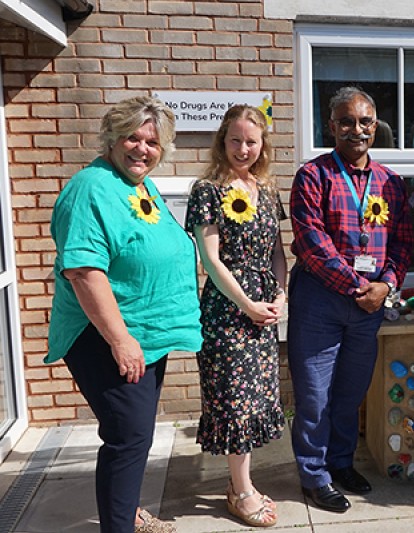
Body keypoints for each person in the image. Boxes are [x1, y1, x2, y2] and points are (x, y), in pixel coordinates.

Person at [46, 96, 202, 533]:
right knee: (127, 437)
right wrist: (121, 340)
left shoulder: (138, 184)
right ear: (112, 138)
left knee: (137, 436)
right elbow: (83, 270)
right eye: (132, 137)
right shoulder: (90, 189)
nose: (142, 148)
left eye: (152, 141)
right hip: (106, 335)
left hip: (145, 331)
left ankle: (127, 511)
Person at [288, 86, 413, 513]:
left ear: (374, 127)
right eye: (346, 121)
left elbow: (402, 239)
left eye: (364, 122)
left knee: (349, 393)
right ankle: (314, 475)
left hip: (370, 305)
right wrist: (358, 287)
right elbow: (311, 242)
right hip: (320, 301)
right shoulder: (313, 175)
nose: (355, 130)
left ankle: (340, 463)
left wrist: (387, 284)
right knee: (314, 396)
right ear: (331, 125)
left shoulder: (390, 183)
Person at [185, 105, 287, 528]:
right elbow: (210, 259)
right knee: (235, 399)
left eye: (251, 141)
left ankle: (240, 483)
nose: (243, 149)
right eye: (235, 140)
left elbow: (279, 252)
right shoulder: (207, 189)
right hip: (229, 309)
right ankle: (241, 489)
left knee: (255, 396)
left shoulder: (267, 189)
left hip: (264, 307)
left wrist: (281, 292)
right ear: (221, 140)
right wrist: (247, 303)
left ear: (262, 144)